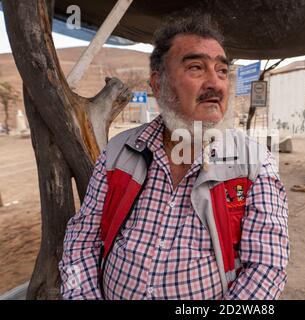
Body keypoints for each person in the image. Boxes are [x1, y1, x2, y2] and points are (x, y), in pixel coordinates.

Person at [59, 16, 289, 300]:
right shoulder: (119, 152)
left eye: (221, 70)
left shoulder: (255, 164)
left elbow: (267, 270)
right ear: (158, 83)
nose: (216, 84)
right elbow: (81, 240)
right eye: (196, 67)